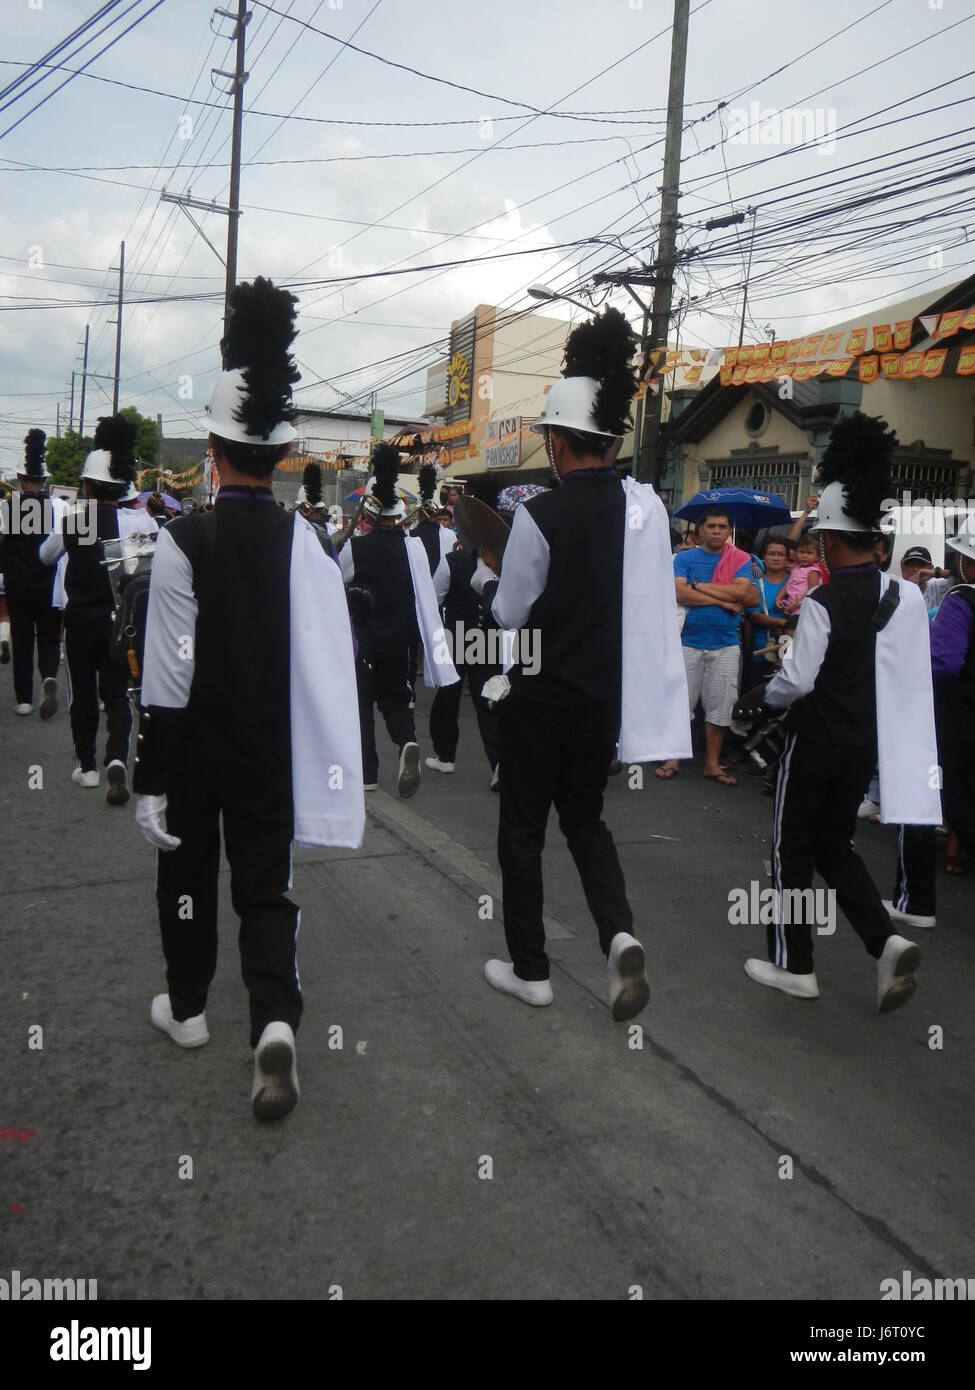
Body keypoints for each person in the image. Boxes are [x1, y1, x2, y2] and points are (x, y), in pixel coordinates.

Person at [132, 277, 364, 1122]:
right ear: (279, 454)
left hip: (194, 751)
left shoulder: (179, 541)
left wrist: (151, 777)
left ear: (213, 447)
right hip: (269, 748)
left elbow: (167, 677)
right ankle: (272, 1021)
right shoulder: (308, 542)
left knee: (185, 880)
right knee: (266, 890)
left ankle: (188, 1012)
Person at [470, 307, 690, 1021]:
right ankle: (617, 932)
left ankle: (531, 971)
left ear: (561, 443)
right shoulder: (645, 510)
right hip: (604, 704)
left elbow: (508, 613)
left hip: (540, 702)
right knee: (586, 822)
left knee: (523, 833)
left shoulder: (539, 516)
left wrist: (489, 571)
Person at [737, 412, 941, 1012]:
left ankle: (794, 964)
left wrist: (761, 698)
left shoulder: (823, 600)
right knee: (836, 847)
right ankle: (884, 941)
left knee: (789, 850)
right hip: (862, 744)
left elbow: (797, 679)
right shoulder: (902, 594)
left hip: (814, 743)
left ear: (828, 537)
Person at [39, 415, 156, 804]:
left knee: (83, 695)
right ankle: (117, 760)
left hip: (80, 622)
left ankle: (87, 767)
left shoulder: (78, 521)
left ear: (86, 486)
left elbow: (45, 556)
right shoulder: (135, 521)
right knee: (119, 694)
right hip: (121, 623)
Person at [339, 443, 457, 795]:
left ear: (372, 510)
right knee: (394, 698)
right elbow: (425, 592)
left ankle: (367, 774)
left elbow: (337, 580)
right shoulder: (414, 548)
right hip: (400, 641)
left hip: (363, 642)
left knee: (361, 705)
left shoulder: (355, 548)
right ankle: (406, 740)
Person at [657, 507, 751, 784]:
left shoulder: (740, 558)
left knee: (720, 705)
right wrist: (722, 600)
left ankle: (712, 763)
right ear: (701, 530)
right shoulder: (684, 557)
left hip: (725, 643)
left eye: (723, 526)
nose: (717, 531)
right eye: (712, 526)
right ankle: (673, 757)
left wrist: (698, 587)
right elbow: (678, 592)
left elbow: (742, 592)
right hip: (687, 641)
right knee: (679, 704)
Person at [0, 430, 61, 718]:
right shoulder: (57, 508)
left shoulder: (9, 509)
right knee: (48, 638)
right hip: (49, 586)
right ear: (44, 481)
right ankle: (49, 674)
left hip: (17, 587)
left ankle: (24, 699)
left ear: (21, 479)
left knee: (22, 641)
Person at [742, 534, 790, 692]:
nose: (776, 558)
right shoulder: (754, 583)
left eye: (781, 554)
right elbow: (754, 616)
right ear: (763, 557)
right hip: (759, 654)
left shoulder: (794, 582)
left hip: (788, 655)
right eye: (771, 554)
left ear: (788, 558)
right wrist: (784, 623)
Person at [776, 533, 821, 616]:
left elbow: (812, 591)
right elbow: (787, 584)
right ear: (796, 553)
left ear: (817, 557)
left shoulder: (813, 571)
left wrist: (797, 604)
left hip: (802, 611)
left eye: (809, 553)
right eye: (801, 552)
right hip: (790, 608)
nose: (804, 556)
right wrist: (778, 598)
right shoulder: (795, 568)